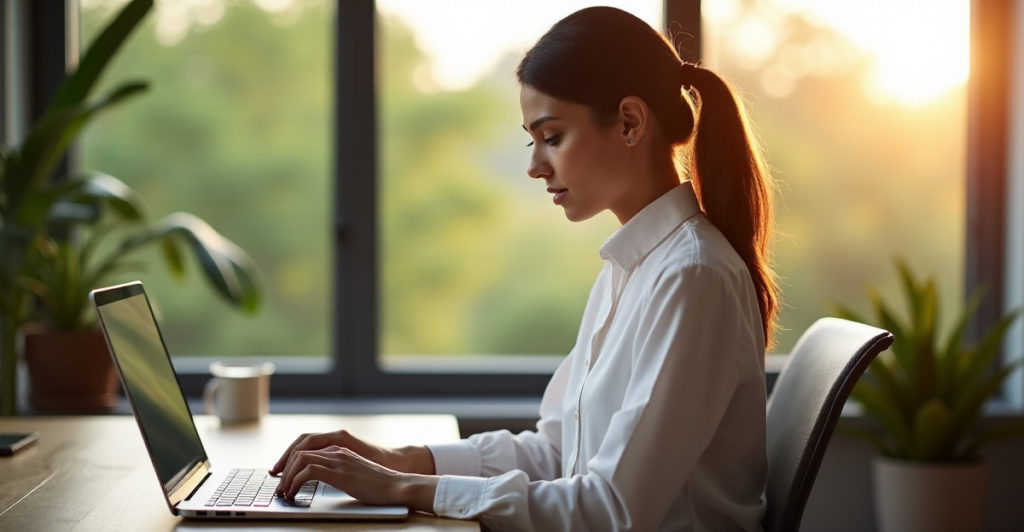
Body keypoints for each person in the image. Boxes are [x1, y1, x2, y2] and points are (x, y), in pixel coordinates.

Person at [271, 6, 779, 531]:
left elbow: (612, 510)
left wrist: (404, 488)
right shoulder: (632, 269)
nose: (535, 166)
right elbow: (557, 451)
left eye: (552, 137)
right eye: (532, 140)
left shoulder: (692, 277)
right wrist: (399, 459)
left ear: (630, 122)